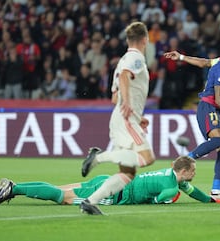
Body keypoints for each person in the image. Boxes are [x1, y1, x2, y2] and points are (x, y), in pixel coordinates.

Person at [79, 22, 156, 214]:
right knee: (147, 158)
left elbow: (115, 97)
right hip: (125, 118)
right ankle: (98, 157)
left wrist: (137, 115)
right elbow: (124, 77)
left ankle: (90, 201)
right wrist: (129, 105)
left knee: (128, 173)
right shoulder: (135, 58)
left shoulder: (122, 60)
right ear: (145, 40)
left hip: (124, 118)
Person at [163, 42, 220, 198]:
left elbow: (204, 62)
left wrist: (182, 57)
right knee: (218, 140)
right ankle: (184, 160)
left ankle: (216, 190)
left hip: (219, 109)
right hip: (209, 106)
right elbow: (218, 99)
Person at [0, 156, 220, 211]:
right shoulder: (173, 186)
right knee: (62, 197)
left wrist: (212, 199)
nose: (194, 174)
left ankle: (14, 186)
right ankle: (13, 188)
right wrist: (164, 199)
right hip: (114, 194)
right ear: (183, 171)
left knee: (61, 189)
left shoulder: (172, 177)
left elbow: (195, 193)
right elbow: (164, 199)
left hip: (111, 180)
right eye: (192, 171)